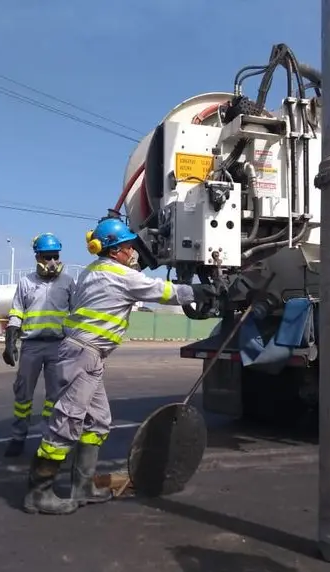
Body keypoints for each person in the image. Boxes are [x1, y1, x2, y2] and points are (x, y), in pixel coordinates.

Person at [23, 217, 216, 515]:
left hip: (88, 355)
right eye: (127, 247)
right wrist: (201, 292)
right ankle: (39, 492)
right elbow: (162, 291)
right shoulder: (118, 274)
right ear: (114, 251)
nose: (132, 252)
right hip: (82, 355)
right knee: (67, 423)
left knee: (98, 421)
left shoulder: (94, 271)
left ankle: (83, 486)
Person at [2, 233, 75, 458]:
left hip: (58, 346)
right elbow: (16, 312)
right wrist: (10, 340)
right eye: (47, 257)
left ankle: (49, 439)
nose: (52, 262)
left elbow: (76, 314)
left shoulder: (68, 282)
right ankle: (18, 436)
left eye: (55, 256)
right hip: (31, 346)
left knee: (55, 396)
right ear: (37, 257)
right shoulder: (26, 282)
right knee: (23, 394)